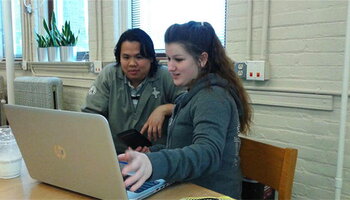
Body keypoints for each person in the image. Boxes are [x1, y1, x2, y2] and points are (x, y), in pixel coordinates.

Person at [118, 21, 252, 199]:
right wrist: (152, 153)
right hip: (185, 188)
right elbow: (182, 146)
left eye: (178, 59)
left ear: (202, 59)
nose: (170, 67)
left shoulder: (214, 97)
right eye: (168, 58)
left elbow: (207, 153)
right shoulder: (191, 95)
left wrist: (154, 163)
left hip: (210, 194)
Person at [81, 28, 183, 154]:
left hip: (155, 155)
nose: (132, 63)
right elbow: (90, 116)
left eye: (139, 57)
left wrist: (163, 109)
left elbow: (188, 106)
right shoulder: (109, 75)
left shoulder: (166, 76)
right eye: (126, 57)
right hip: (115, 154)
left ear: (151, 58)